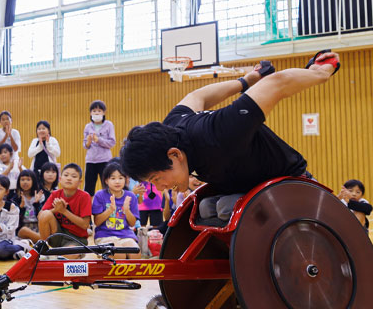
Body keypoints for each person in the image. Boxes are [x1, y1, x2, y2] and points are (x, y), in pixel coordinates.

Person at [120, 54, 340, 223]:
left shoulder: (220, 131)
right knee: (206, 208)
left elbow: (277, 83)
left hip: (288, 184)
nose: (160, 188)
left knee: (226, 207)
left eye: (156, 179)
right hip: (246, 186)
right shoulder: (171, 128)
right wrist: (247, 80)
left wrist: (320, 73)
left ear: (174, 155)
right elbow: (197, 97)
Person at [38, 163, 92, 250]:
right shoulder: (55, 194)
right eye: (66, 175)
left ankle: (62, 254)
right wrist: (56, 210)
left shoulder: (84, 196)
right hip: (58, 236)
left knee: (69, 254)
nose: (69, 178)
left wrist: (64, 211)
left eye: (74, 176)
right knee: (45, 214)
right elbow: (40, 216)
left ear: (79, 182)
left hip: (76, 239)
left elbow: (85, 225)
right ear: (60, 179)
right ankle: (44, 249)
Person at [92, 163, 139, 252]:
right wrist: (110, 210)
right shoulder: (100, 195)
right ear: (106, 180)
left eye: (121, 178)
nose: (117, 181)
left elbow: (132, 224)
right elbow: (97, 222)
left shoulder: (130, 196)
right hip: (104, 235)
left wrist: (127, 210)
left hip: (126, 235)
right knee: (117, 252)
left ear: (126, 179)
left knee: (135, 252)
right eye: (113, 178)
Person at [83, 100, 116, 196]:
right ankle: (88, 207)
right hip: (91, 160)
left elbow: (112, 142)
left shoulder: (109, 125)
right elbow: (85, 144)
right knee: (89, 187)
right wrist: (88, 143)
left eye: (99, 111)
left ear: (104, 112)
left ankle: (108, 206)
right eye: (94, 111)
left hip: (104, 160)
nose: (96, 113)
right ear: (90, 113)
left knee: (107, 186)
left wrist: (98, 140)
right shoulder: (88, 126)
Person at [13, 169, 45, 244]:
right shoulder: (15, 198)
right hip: (23, 228)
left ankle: (41, 242)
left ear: (33, 181)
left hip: (38, 226)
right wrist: (21, 207)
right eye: (22, 180)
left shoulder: (39, 196)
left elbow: (43, 216)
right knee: (24, 230)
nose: (25, 182)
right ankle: (44, 242)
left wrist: (37, 203)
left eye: (28, 179)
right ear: (19, 182)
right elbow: (15, 220)